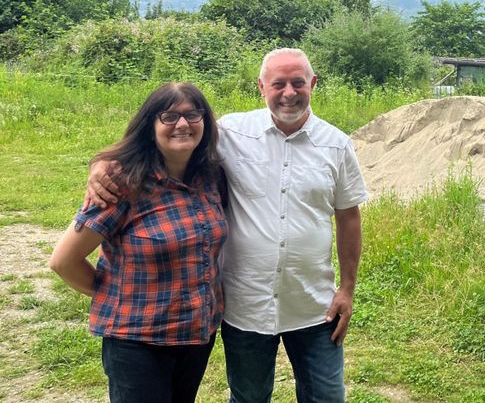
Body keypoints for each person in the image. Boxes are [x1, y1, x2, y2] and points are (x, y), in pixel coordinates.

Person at [89, 48, 369, 403]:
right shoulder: (231, 134)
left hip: (314, 305)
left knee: (327, 397)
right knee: (249, 397)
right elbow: (169, 139)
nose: (289, 92)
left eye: (298, 82)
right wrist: (103, 165)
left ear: (313, 83)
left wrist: (347, 288)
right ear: (261, 87)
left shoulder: (337, 144)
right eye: (278, 83)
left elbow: (348, 217)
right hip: (245, 305)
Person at [50, 82, 227, 403]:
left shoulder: (210, 176)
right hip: (137, 342)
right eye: (169, 116)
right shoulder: (122, 182)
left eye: (192, 114)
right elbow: (63, 261)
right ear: (151, 125)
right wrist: (114, 295)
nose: (183, 124)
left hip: (196, 336)